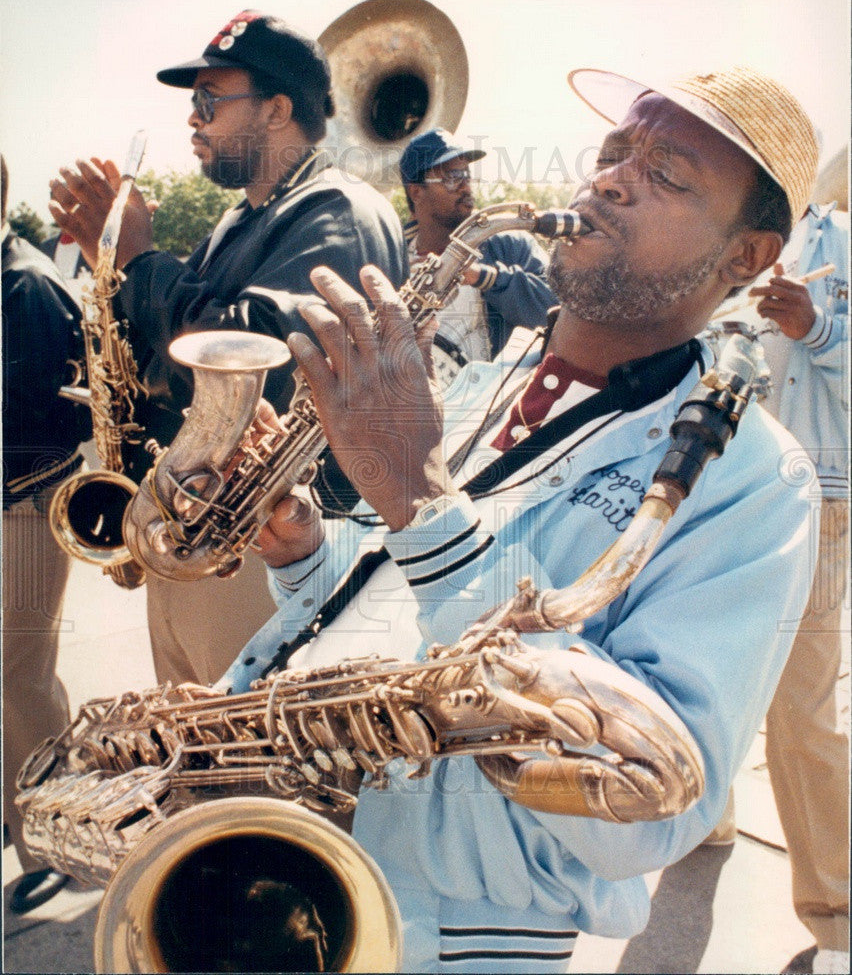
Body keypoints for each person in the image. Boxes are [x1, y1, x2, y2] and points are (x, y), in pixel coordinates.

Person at [218, 66, 823, 972]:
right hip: (262, 852)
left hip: (438, 934)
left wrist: (423, 503)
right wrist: (308, 551)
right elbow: (407, 586)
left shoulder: (758, 481)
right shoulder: (493, 375)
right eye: (615, 152)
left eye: (667, 174)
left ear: (748, 257)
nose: (610, 178)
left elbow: (647, 804)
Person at [47, 11, 407, 688]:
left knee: (251, 779)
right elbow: (172, 366)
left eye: (210, 101)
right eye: (193, 104)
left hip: (268, 551)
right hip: (201, 540)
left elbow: (260, 364)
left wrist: (140, 259)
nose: (194, 120)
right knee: (193, 769)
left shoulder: (340, 211)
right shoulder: (242, 218)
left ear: (276, 110)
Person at [712, 203, 849, 975]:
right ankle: (708, 821)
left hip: (822, 498)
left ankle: (839, 920)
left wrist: (818, 331)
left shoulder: (843, 243)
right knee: (711, 670)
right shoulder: (726, 237)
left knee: (802, 711)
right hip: (727, 489)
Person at [2, 155, 87, 913]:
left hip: (25, 504)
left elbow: (57, 417)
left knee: (20, 675)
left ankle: (51, 840)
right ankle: (14, 805)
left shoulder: (26, 283)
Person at [399, 128, 557, 382]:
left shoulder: (510, 244)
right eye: (452, 177)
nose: (466, 186)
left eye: (467, 175)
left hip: (494, 411)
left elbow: (558, 311)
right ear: (416, 192)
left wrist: (484, 277)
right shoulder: (392, 261)